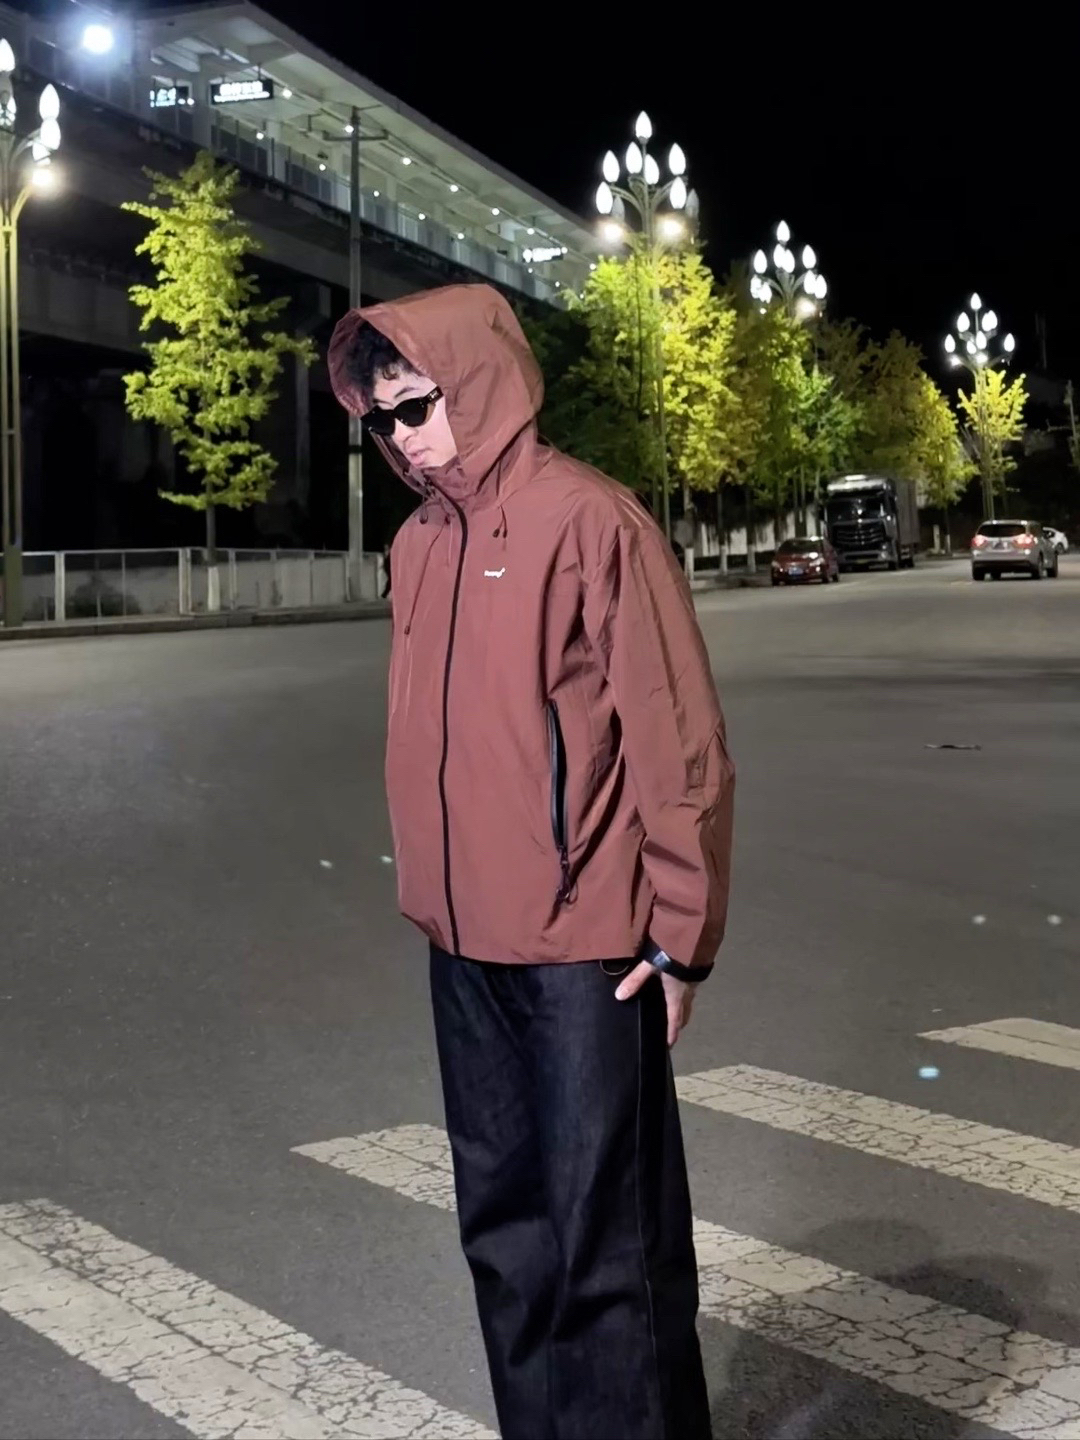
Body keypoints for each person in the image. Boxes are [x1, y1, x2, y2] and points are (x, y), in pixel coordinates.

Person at [329, 284, 733, 1440]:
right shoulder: (418, 546)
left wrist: (681, 939)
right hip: (462, 950)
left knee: (609, 1251)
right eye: (382, 419)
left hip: (583, 952)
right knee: (506, 1239)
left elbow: (676, 740)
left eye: (418, 406)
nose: (403, 436)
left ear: (479, 386)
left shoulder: (591, 522)